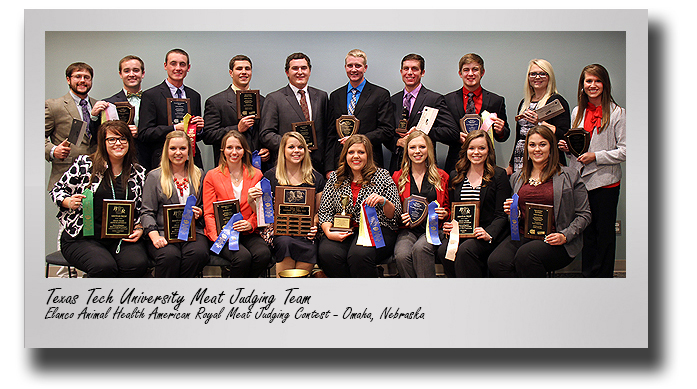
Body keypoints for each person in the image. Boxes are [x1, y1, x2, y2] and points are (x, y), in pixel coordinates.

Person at [488, 126, 591, 277]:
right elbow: (514, 217)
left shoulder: (570, 175)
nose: (537, 149)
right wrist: (512, 213)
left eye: (542, 144)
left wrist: (565, 235)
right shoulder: (517, 177)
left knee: (527, 255)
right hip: (523, 235)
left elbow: (585, 214)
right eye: (532, 145)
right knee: (496, 261)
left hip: (556, 238)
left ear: (551, 147)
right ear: (527, 148)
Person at [49, 120, 148, 277]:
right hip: (83, 237)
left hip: (121, 237)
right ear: (103, 142)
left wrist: (140, 227)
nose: (118, 143)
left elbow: (145, 208)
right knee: (103, 266)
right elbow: (57, 191)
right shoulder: (85, 164)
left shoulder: (138, 172)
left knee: (136, 264)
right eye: (112, 139)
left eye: (123, 139)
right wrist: (68, 201)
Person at [560, 64, 626, 278]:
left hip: (605, 183)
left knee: (604, 234)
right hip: (581, 182)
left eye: (597, 81)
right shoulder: (577, 112)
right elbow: (578, 149)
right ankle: (588, 276)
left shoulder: (618, 113)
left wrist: (596, 156)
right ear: (582, 85)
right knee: (586, 232)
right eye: (588, 81)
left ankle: (604, 277)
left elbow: (625, 151)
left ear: (605, 84)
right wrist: (568, 149)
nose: (593, 85)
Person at [317, 134, 401, 277]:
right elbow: (325, 211)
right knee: (327, 254)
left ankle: (364, 295)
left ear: (368, 155)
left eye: (361, 152)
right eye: (351, 152)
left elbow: (395, 214)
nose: (356, 156)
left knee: (358, 256)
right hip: (342, 229)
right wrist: (328, 232)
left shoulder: (383, 176)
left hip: (377, 230)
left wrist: (384, 201)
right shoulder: (335, 178)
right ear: (345, 155)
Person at [435, 130, 511, 277]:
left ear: (488, 150)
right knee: (443, 250)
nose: (476, 152)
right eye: (472, 148)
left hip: (486, 233)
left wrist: (489, 233)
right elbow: (454, 211)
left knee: (465, 251)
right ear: (466, 150)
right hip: (461, 233)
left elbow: (501, 214)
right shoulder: (455, 176)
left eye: (481, 148)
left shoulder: (499, 175)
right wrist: (450, 223)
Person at [249, 132, 325, 277]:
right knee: (284, 242)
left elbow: (318, 212)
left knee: (309, 243)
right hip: (280, 231)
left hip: (306, 232)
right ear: (283, 150)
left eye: (300, 147)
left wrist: (314, 225)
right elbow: (264, 214)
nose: (296, 151)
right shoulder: (270, 177)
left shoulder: (316, 178)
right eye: (291, 147)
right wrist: (251, 201)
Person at [202, 130, 271, 277]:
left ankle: (246, 290)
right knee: (242, 258)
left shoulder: (256, 174)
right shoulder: (212, 176)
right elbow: (208, 213)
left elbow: (259, 209)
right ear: (223, 150)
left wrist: (251, 224)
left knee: (263, 254)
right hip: (223, 233)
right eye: (229, 148)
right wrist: (218, 237)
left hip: (248, 231)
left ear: (244, 150)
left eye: (238, 148)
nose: (234, 152)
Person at [141, 131, 209, 277]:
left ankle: (182, 293)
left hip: (193, 233)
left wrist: (200, 212)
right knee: (169, 257)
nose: (178, 153)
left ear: (189, 151)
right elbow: (147, 212)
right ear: (166, 151)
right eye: (173, 148)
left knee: (198, 254)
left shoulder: (199, 174)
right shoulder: (154, 176)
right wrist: (154, 236)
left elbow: (206, 205)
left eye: (183, 148)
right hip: (162, 232)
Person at [260, 52, 329, 174]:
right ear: (287, 72)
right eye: (295, 68)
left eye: (304, 68)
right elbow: (266, 134)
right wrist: (293, 146)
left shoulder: (322, 96)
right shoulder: (274, 98)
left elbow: (327, 133)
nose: (300, 72)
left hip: (317, 167)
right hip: (287, 167)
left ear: (310, 70)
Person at [392, 130, 449, 278]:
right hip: (407, 230)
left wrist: (445, 213)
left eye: (422, 147)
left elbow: (449, 207)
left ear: (429, 149)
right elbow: (394, 209)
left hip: (434, 229)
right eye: (412, 147)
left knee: (420, 249)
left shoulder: (442, 176)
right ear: (407, 151)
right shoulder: (398, 177)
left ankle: (427, 294)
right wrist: (400, 217)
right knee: (401, 255)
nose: (417, 151)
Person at [388, 54, 459, 173]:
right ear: (401, 72)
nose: (410, 72)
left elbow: (452, 132)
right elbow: (386, 132)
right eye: (406, 69)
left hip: (425, 166)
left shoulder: (434, 99)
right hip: (398, 166)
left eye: (415, 69)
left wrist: (422, 132)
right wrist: (396, 142)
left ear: (423, 72)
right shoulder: (393, 100)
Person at [326, 49, 394, 172]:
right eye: (350, 65)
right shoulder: (336, 96)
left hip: (370, 162)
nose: (354, 69)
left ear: (365, 68)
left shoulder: (380, 94)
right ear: (345, 67)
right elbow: (331, 134)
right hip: (340, 163)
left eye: (358, 66)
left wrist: (358, 139)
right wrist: (329, 168)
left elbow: (387, 130)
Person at [443, 53, 510, 173]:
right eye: (466, 70)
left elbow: (505, 135)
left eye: (475, 69)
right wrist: (456, 137)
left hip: (486, 162)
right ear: (460, 73)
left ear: (482, 72)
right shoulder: (447, 100)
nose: (470, 74)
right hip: (456, 162)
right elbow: (442, 131)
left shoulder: (496, 100)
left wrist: (501, 131)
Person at [139, 48, 205, 171]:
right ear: (165, 66)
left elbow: (198, 137)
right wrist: (174, 128)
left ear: (188, 68)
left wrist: (199, 129)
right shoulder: (151, 95)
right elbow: (145, 133)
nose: (178, 68)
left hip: (191, 160)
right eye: (173, 63)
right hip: (162, 161)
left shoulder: (194, 96)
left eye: (182, 64)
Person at [202, 54, 269, 169]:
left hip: (258, 167)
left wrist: (267, 149)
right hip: (228, 168)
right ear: (231, 73)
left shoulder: (263, 101)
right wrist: (237, 129)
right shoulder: (216, 102)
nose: (244, 72)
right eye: (239, 69)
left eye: (247, 69)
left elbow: (265, 131)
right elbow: (208, 136)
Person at [45, 62, 103, 190]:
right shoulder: (54, 105)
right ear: (68, 79)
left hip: (95, 175)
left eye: (86, 77)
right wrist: (53, 150)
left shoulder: (98, 106)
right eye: (78, 76)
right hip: (66, 174)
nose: (82, 80)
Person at [509, 59, 570, 174]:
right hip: (521, 157)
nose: (537, 77)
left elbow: (564, 134)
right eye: (533, 74)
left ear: (549, 77)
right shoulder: (524, 103)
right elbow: (519, 137)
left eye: (542, 73)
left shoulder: (556, 101)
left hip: (546, 158)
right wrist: (511, 164)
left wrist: (540, 123)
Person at [103, 55, 150, 170]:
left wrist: (142, 132)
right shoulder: (109, 104)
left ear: (142, 74)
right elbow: (101, 135)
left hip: (148, 158)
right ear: (120, 74)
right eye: (126, 71)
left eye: (136, 70)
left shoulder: (153, 100)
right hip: (119, 161)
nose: (131, 74)